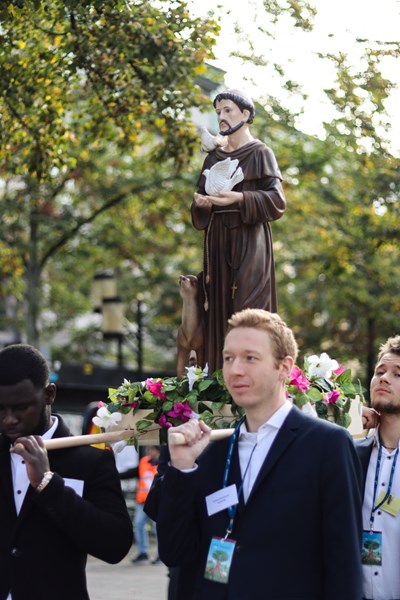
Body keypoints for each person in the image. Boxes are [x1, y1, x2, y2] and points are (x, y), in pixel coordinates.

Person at [146, 308, 363, 599]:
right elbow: (175, 552)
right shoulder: (209, 453)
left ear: (284, 367)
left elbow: (344, 564)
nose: (235, 369)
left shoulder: (327, 445)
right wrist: (182, 468)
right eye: (228, 358)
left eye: (250, 357)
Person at [0, 344, 133, 600]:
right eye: (0, 409)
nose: (8, 419)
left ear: (49, 394)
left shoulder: (90, 460)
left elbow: (115, 546)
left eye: (20, 407)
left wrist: (49, 485)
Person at [192, 89, 286, 373]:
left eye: (228, 110)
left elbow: (277, 201)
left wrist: (240, 198)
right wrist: (202, 204)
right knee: (218, 309)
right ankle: (219, 377)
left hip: (249, 241)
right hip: (218, 240)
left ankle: (255, 373)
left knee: (248, 308)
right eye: (219, 112)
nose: (221, 117)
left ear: (245, 115)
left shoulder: (260, 153)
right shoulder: (213, 157)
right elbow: (198, 207)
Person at [355, 335, 400, 600]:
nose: (383, 378)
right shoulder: (351, 453)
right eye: (379, 371)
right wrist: (347, 422)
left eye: (397, 373)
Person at [132, 445, 160, 565]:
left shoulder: (162, 464)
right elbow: (134, 472)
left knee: (158, 528)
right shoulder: (144, 461)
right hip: (142, 501)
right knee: (138, 524)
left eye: (152, 449)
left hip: (156, 502)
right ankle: (143, 552)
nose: (150, 451)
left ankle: (161, 554)